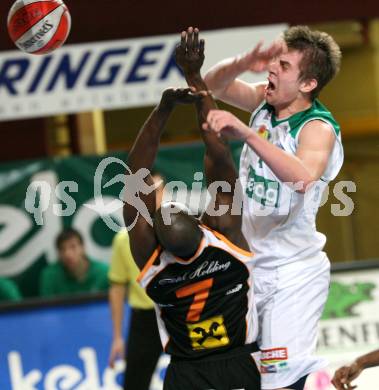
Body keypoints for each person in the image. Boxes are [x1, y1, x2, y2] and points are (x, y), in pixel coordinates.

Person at [181, 26, 343, 390]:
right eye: (274, 61)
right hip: (250, 266)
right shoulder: (264, 105)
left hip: (293, 272)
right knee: (244, 378)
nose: (272, 69)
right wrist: (243, 62)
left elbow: (302, 178)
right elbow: (213, 83)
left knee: (280, 383)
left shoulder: (318, 128)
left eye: (283, 66)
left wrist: (249, 135)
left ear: (307, 84)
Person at [123, 84, 260, 390]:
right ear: (201, 224)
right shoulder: (225, 236)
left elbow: (135, 173)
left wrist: (162, 111)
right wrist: (200, 89)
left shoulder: (151, 262)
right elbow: (219, 156)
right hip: (241, 364)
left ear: (158, 240)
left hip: (185, 373)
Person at [108, 174, 164, 390]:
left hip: (179, 313)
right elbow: (117, 287)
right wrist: (117, 337)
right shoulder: (124, 239)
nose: (153, 196)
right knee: (135, 383)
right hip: (145, 319)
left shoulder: (179, 230)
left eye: (158, 190)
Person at [39, 228, 109, 297]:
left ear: (83, 248)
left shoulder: (104, 272)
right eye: (62, 249)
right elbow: (48, 307)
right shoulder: (50, 276)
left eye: (73, 247)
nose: (67, 254)